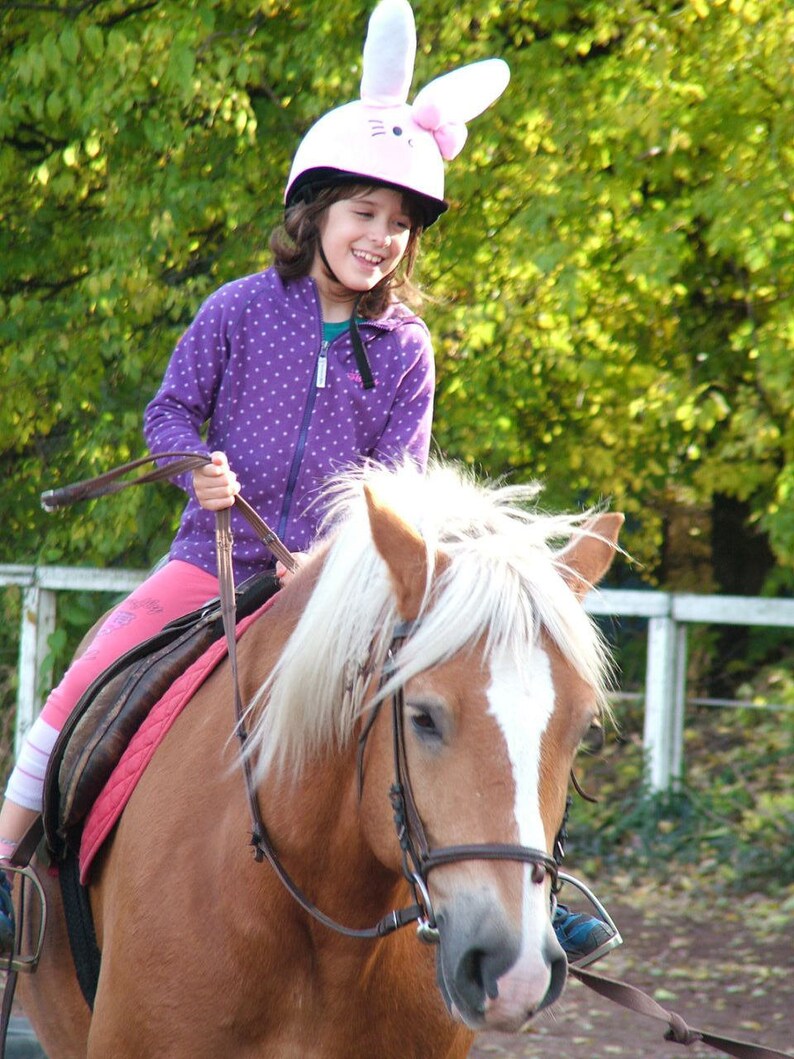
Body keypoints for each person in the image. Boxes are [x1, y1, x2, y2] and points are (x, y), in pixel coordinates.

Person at [0, 0, 519, 952]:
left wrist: (343, 563)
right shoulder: (238, 309)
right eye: (366, 213)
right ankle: (5, 865)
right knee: (83, 681)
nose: (382, 238)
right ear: (314, 210)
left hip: (340, 592)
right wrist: (194, 465)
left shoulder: (407, 346)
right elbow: (168, 414)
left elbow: (400, 484)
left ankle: (520, 892)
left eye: (401, 224)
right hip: (210, 558)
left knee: (471, 700)